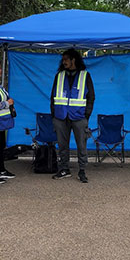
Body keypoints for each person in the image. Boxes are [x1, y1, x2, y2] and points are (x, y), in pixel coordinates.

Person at [50, 48, 95, 183]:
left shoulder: (85, 75)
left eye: (66, 59)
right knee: (62, 145)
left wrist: (86, 115)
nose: (64, 62)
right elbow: (52, 97)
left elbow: (91, 97)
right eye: (63, 60)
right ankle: (64, 168)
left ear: (73, 60)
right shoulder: (59, 75)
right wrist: (54, 115)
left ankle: (82, 170)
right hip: (60, 117)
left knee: (82, 145)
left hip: (79, 117)